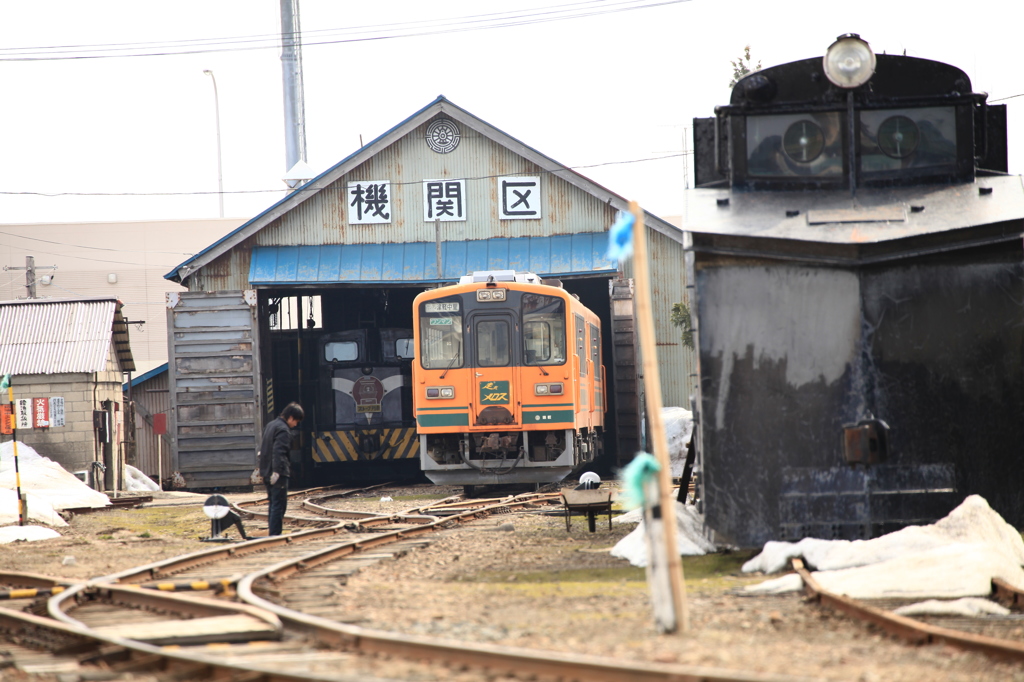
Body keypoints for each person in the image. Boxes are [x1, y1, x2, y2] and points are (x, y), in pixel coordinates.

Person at [258, 402, 304, 536]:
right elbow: (279, 452)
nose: (295, 424)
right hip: (277, 473)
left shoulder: (270, 425)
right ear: (290, 417)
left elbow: (265, 449)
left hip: (266, 471)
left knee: (273, 504)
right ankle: (275, 535)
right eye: (296, 421)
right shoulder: (283, 430)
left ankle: (273, 533)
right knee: (279, 506)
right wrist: (277, 472)